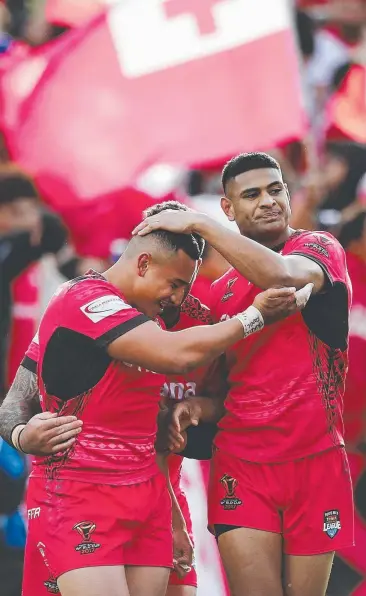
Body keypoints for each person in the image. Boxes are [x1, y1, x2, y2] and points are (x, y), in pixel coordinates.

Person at [0, 208, 311, 596]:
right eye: (175, 284)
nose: (178, 297)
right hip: (81, 494)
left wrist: (174, 512)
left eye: (186, 286)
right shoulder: (82, 300)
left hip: (151, 498)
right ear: (143, 263)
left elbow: (214, 400)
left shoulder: (174, 317)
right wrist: (20, 435)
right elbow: (16, 400)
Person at [133, 151, 354, 596]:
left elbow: (283, 278)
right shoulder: (220, 294)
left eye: (275, 190)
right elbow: (226, 391)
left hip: (316, 461)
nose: (268, 201)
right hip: (242, 466)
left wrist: (198, 222)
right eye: (251, 195)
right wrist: (194, 407)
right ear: (230, 208)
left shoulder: (317, 250)